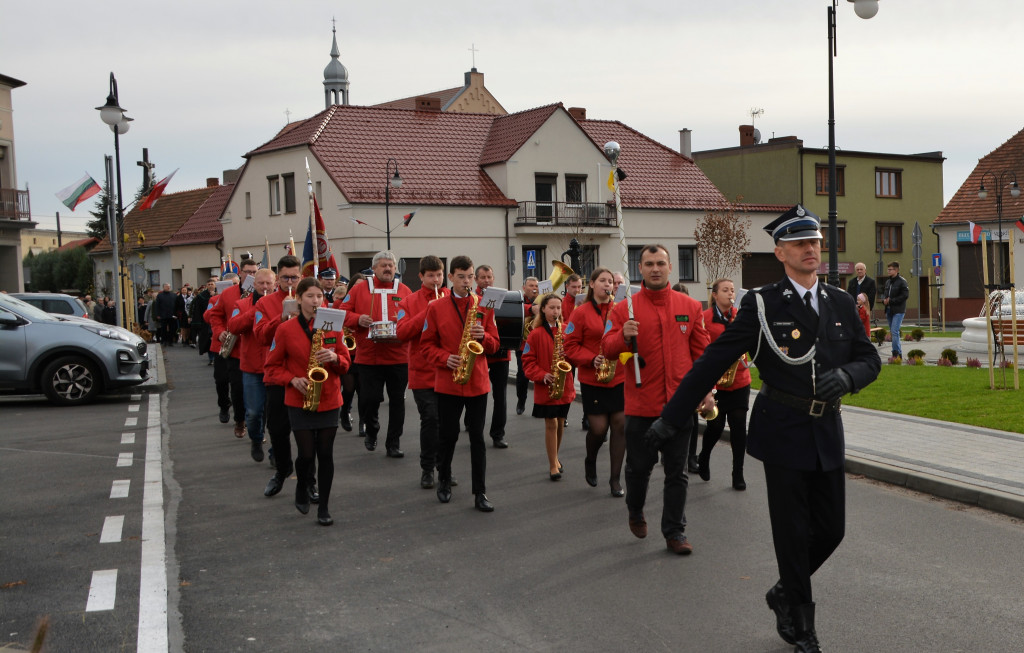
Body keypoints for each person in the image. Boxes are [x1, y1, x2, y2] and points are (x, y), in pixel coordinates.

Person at [647, 205, 881, 651]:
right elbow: (711, 362)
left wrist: (850, 377)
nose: (811, 249)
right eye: (799, 244)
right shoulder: (762, 303)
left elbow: (869, 358)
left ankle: (781, 591)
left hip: (827, 428)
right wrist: (672, 417)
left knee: (832, 530)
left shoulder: (841, 302)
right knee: (792, 535)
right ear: (780, 252)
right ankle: (802, 625)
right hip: (782, 430)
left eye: (814, 242)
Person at [601, 244, 713, 556]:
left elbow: (702, 356)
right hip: (641, 407)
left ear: (670, 268)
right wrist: (623, 334)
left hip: (679, 407)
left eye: (660, 263)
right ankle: (635, 509)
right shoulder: (625, 309)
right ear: (640, 269)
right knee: (639, 470)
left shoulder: (689, 307)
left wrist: (706, 392)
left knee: (677, 473)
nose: (655, 269)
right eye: (648, 264)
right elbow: (607, 349)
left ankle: (675, 532)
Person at [263, 277, 351, 526]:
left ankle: (323, 506)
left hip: (329, 397)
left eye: (319, 296)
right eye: (310, 296)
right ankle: (302, 485)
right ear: (299, 298)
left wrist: (334, 357)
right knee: (305, 454)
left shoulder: (333, 324)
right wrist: (291, 379)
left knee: (325, 454)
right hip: (299, 399)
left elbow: (346, 363)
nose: (315, 301)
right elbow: (271, 367)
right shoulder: (285, 329)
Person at [420, 255, 501, 512]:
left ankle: (480, 491)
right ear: (451, 277)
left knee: (477, 438)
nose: (466, 282)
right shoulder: (436, 308)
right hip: (448, 382)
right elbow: (426, 346)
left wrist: (485, 336)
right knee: (448, 435)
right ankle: (444, 479)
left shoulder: (484, 306)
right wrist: (445, 358)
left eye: (470, 277)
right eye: (461, 277)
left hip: (477, 381)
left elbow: (495, 344)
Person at [342, 251, 413, 457]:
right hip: (369, 356)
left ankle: (393, 443)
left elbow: (414, 317)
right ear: (374, 269)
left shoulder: (405, 290)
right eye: (383, 265)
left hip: (398, 356)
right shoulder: (359, 290)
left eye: (391, 265)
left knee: (397, 401)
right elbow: (343, 313)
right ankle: (371, 430)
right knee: (369, 399)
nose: (388, 269)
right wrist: (357, 319)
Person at [563, 267, 626, 497]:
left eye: (611, 281)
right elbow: (569, 346)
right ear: (591, 284)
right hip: (593, 378)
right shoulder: (580, 313)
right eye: (603, 281)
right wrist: (591, 359)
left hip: (618, 376)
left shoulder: (620, 310)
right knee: (599, 430)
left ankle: (615, 479)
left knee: (620, 425)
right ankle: (591, 459)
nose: (608, 285)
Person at [253, 255, 307, 499]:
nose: (289, 282)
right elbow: (261, 337)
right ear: (277, 279)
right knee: (277, 429)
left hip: (306, 375)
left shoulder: (312, 298)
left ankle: (309, 481)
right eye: (285, 278)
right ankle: (283, 469)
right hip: (277, 376)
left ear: (301, 277)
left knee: (308, 435)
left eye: (294, 278)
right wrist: (282, 317)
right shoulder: (264, 304)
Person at [395, 255, 449, 489]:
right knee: (430, 420)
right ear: (421, 277)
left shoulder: (449, 296)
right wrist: (426, 311)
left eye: (439, 275)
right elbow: (402, 332)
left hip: (447, 369)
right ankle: (427, 469)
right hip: (422, 371)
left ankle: (444, 467)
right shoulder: (408, 302)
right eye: (431, 276)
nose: (436, 280)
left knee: (447, 424)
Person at [694, 278, 751, 491]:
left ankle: (738, 474)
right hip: (715, 382)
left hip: (739, 380)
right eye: (725, 290)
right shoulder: (705, 318)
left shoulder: (741, 317)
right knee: (715, 427)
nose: (730, 293)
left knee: (738, 428)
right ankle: (704, 456)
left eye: (732, 290)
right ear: (715, 295)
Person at [523, 293, 576, 480]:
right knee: (551, 423)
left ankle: (555, 456)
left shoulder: (566, 331)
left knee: (560, 422)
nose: (556, 311)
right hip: (546, 385)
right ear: (543, 309)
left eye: (558, 308)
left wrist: (568, 352)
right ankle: (552, 464)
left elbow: (575, 356)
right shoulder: (535, 334)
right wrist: (541, 375)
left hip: (564, 384)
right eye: (552, 308)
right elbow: (527, 362)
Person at [228, 268, 277, 463]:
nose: (265, 287)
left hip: (275, 366)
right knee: (254, 412)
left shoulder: (282, 303)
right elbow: (233, 326)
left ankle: (276, 451)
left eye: (268, 283)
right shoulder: (241, 304)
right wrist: (256, 311)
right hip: (252, 367)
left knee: (275, 415)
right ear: (253, 284)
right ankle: (256, 439)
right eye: (261, 283)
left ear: (274, 284)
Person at [208, 259, 259, 438]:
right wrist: (220, 331)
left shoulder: (263, 294)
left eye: (255, 272)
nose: (251, 275)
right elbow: (215, 315)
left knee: (258, 393)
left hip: (256, 349)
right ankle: (239, 419)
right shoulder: (228, 293)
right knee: (236, 388)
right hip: (235, 349)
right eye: (248, 272)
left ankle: (257, 429)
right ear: (241, 274)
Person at [474, 264, 510, 448]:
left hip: (500, 351)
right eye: (483, 277)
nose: (486, 280)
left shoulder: (502, 296)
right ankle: (471, 425)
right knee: (474, 392)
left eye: (489, 277)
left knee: (500, 396)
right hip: (478, 350)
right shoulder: (473, 299)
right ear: (476, 280)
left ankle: (498, 434)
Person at [673, 282, 703, 476]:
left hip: (689, 375)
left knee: (692, 420)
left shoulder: (693, 313)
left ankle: (691, 457)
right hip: (671, 378)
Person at [514, 276, 540, 415]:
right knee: (523, 375)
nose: (534, 288)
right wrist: (532, 309)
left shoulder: (542, 300)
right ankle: (521, 400)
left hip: (539, 344)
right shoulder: (519, 299)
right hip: (523, 345)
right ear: (524, 288)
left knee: (540, 376)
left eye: (536, 285)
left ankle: (538, 404)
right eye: (530, 285)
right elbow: (516, 309)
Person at [883, 261, 908, 360]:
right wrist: (884, 300)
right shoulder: (888, 282)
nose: (888, 271)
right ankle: (898, 353)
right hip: (889, 309)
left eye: (890, 269)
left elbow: (905, 296)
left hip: (898, 310)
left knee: (894, 331)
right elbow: (886, 294)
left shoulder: (902, 281)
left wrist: (892, 301)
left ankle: (895, 352)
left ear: (896, 270)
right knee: (893, 332)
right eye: (888, 269)